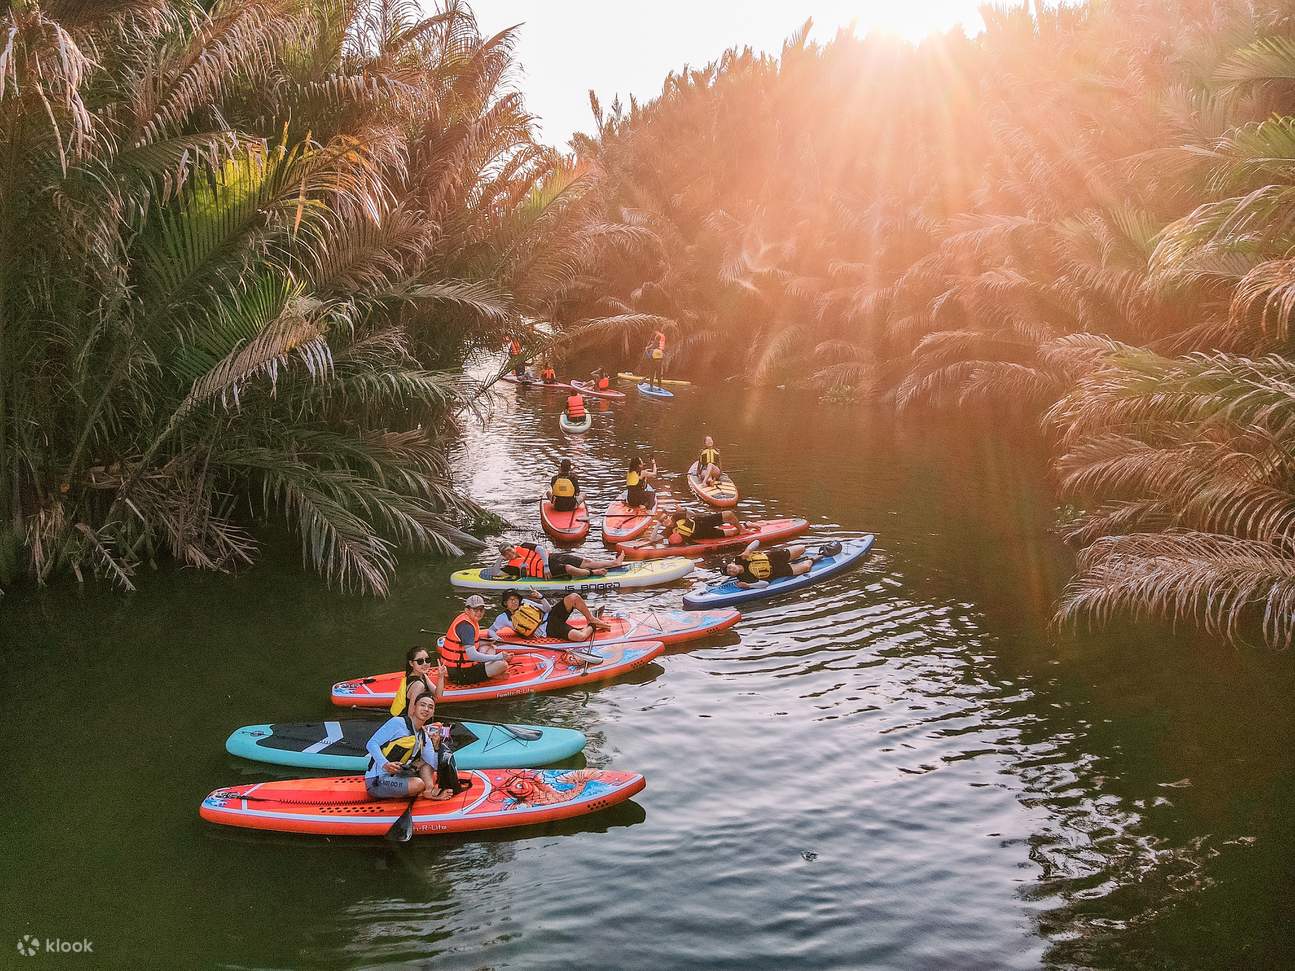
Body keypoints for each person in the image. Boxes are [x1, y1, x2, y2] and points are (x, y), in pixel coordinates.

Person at [364, 693, 457, 801]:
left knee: (425, 762)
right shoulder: (397, 723)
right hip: (377, 780)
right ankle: (418, 790)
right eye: (422, 705)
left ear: (432, 713)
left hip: (399, 775)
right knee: (418, 784)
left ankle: (429, 791)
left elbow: (433, 765)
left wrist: (436, 747)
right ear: (413, 708)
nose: (426, 709)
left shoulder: (424, 736)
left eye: (430, 707)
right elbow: (371, 744)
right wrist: (385, 764)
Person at [486, 588, 609, 642]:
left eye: (515, 599)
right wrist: (497, 638)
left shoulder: (525, 603)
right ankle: (593, 625)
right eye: (510, 600)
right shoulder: (503, 618)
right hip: (548, 630)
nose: (514, 601)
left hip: (551, 617)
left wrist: (541, 597)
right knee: (580, 637)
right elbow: (491, 631)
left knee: (573, 597)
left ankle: (591, 618)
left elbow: (548, 609)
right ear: (505, 603)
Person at [439, 595, 508, 685]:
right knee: (503, 664)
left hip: (455, 668)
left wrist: (489, 641)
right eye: (475, 610)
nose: (479, 613)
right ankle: (490, 674)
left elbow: (471, 643)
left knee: (490, 646)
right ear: (467, 610)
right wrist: (498, 657)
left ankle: (488, 670)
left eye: (481, 609)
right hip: (460, 674)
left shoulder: (466, 619)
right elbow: (472, 656)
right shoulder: (466, 627)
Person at [721, 540, 838, 588]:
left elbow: (757, 542)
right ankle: (814, 558)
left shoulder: (740, 557)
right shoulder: (744, 578)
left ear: (732, 563)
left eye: (730, 567)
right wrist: (749, 586)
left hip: (775, 556)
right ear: (732, 575)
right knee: (806, 567)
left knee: (802, 548)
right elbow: (765, 584)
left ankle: (799, 557)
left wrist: (748, 550)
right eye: (729, 572)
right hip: (777, 571)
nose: (731, 570)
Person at [493, 542, 624, 580]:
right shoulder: (510, 567)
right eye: (505, 554)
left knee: (586, 561)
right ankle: (593, 573)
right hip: (545, 573)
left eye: (509, 550)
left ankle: (614, 563)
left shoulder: (523, 546)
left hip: (550, 560)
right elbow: (495, 573)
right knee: (568, 568)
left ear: (513, 547)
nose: (509, 554)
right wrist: (500, 559)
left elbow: (540, 549)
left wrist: (546, 566)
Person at [390, 645, 446, 716]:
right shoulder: (418, 685)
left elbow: (438, 695)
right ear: (411, 663)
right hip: (404, 722)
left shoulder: (422, 675)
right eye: (420, 661)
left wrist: (441, 676)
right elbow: (411, 714)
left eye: (427, 660)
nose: (425, 664)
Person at [649, 507, 746, 544]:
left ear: (669, 516)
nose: (666, 520)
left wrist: (684, 509)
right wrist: (657, 525)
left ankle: (741, 529)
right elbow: (653, 539)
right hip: (702, 534)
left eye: (666, 517)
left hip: (702, 522)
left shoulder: (676, 516)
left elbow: (693, 514)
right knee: (732, 533)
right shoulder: (668, 531)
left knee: (728, 514)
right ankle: (746, 525)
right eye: (662, 520)